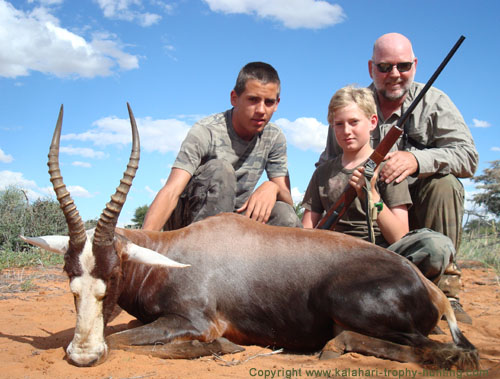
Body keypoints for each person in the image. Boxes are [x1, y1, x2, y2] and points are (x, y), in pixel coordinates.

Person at [317, 33, 478, 322]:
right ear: (371, 68)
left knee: (446, 185)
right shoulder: (354, 107)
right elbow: (328, 165)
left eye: (403, 66)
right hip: (370, 220)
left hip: (413, 212)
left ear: (414, 65)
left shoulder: (435, 102)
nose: (394, 74)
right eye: (384, 67)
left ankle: (446, 290)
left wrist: (417, 160)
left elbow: (468, 156)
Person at [303, 85, 455, 284]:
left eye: (354, 122)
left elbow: (399, 236)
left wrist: (373, 197)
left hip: (381, 257)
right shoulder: (322, 173)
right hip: (335, 258)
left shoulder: (388, 169)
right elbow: (306, 232)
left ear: (372, 122)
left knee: (436, 246)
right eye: (339, 124)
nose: (346, 131)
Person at [142, 61, 302, 231]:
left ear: (277, 104)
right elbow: (172, 190)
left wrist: (273, 186)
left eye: (269, 102)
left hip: (235, 219)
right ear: (234, 98)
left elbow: (288, 201)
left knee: (285, 214)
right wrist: (144, 242)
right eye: (253, 100)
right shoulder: (206, 131)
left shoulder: (274, 137)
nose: (261, 110)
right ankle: (200, 251)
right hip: (189, 223)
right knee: (221, 170)